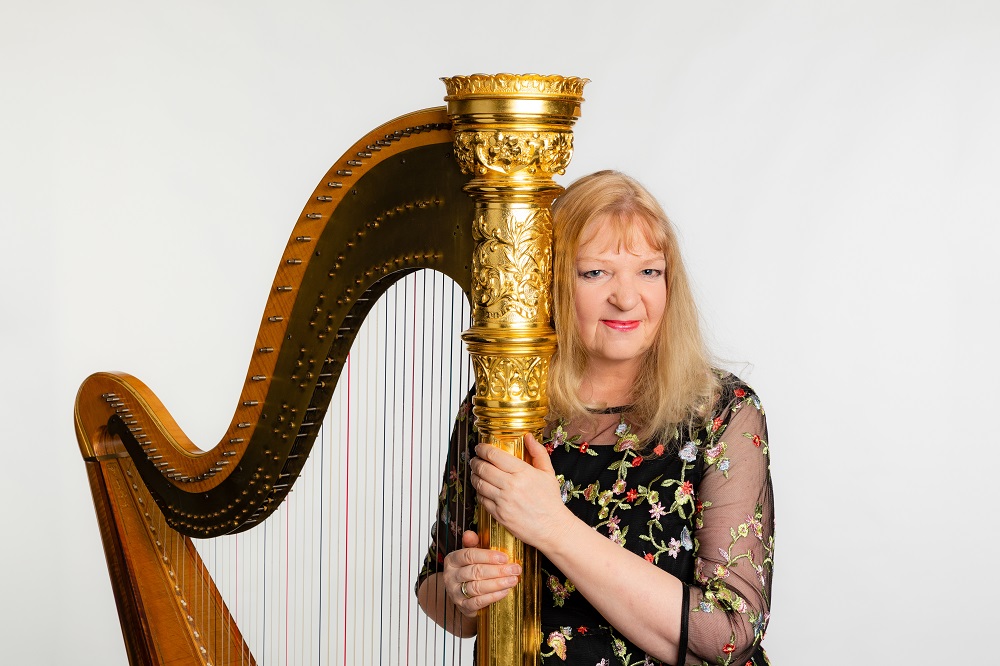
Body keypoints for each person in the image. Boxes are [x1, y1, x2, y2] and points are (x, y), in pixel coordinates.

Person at [416, 170, 774, 665]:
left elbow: (730, 636)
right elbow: (436, 587)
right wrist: (461, 592)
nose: (626, 298)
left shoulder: (722, 413)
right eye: (595, 273)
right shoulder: (503, 404)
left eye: (649, 272)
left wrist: (553, 527)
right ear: (550, 282)